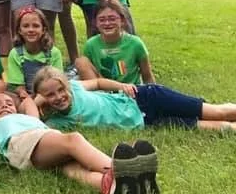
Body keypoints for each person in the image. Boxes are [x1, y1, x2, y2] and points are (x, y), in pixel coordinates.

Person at [0, 92, 159, 194]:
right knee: (74, 140)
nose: (5, 106)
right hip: (24, 144)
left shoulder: (31, 118)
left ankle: (118, 189)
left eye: (9, 104)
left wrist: (22, 95)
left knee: (73, 169)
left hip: (45, 145)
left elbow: (28, 102)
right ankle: (121, 172)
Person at [33, 66, 236, 132]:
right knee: (218, 126)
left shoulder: (76, 88)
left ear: (67, 86)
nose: (58, 97)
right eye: (50, 94)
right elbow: (33, 125)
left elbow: (97, 83)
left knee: (219, 112)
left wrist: (122, 86)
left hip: (144, 98)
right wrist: (36, 102)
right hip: (146, 122)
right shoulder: (57, 123)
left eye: (60, 90)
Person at [75, 3, 154, 84]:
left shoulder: (136, 43)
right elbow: (87, 74)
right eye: (102, 20)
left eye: (112, 19)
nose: (107, 23)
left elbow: (147, 76)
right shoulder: (91, 45)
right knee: (81, 61)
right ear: (96, 23)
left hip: (131, 92)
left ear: (122, 20)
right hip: (103, 92)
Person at [6, 6, 63, 97]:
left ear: (43, 30)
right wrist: (24, 94)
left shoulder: (53, 53)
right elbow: (17, 85)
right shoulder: (15, 53)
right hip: (25, 95)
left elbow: (58, 82)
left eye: (36, 26)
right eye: (26, 26)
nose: (31, 30)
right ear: (19, 30)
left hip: (49, 94)